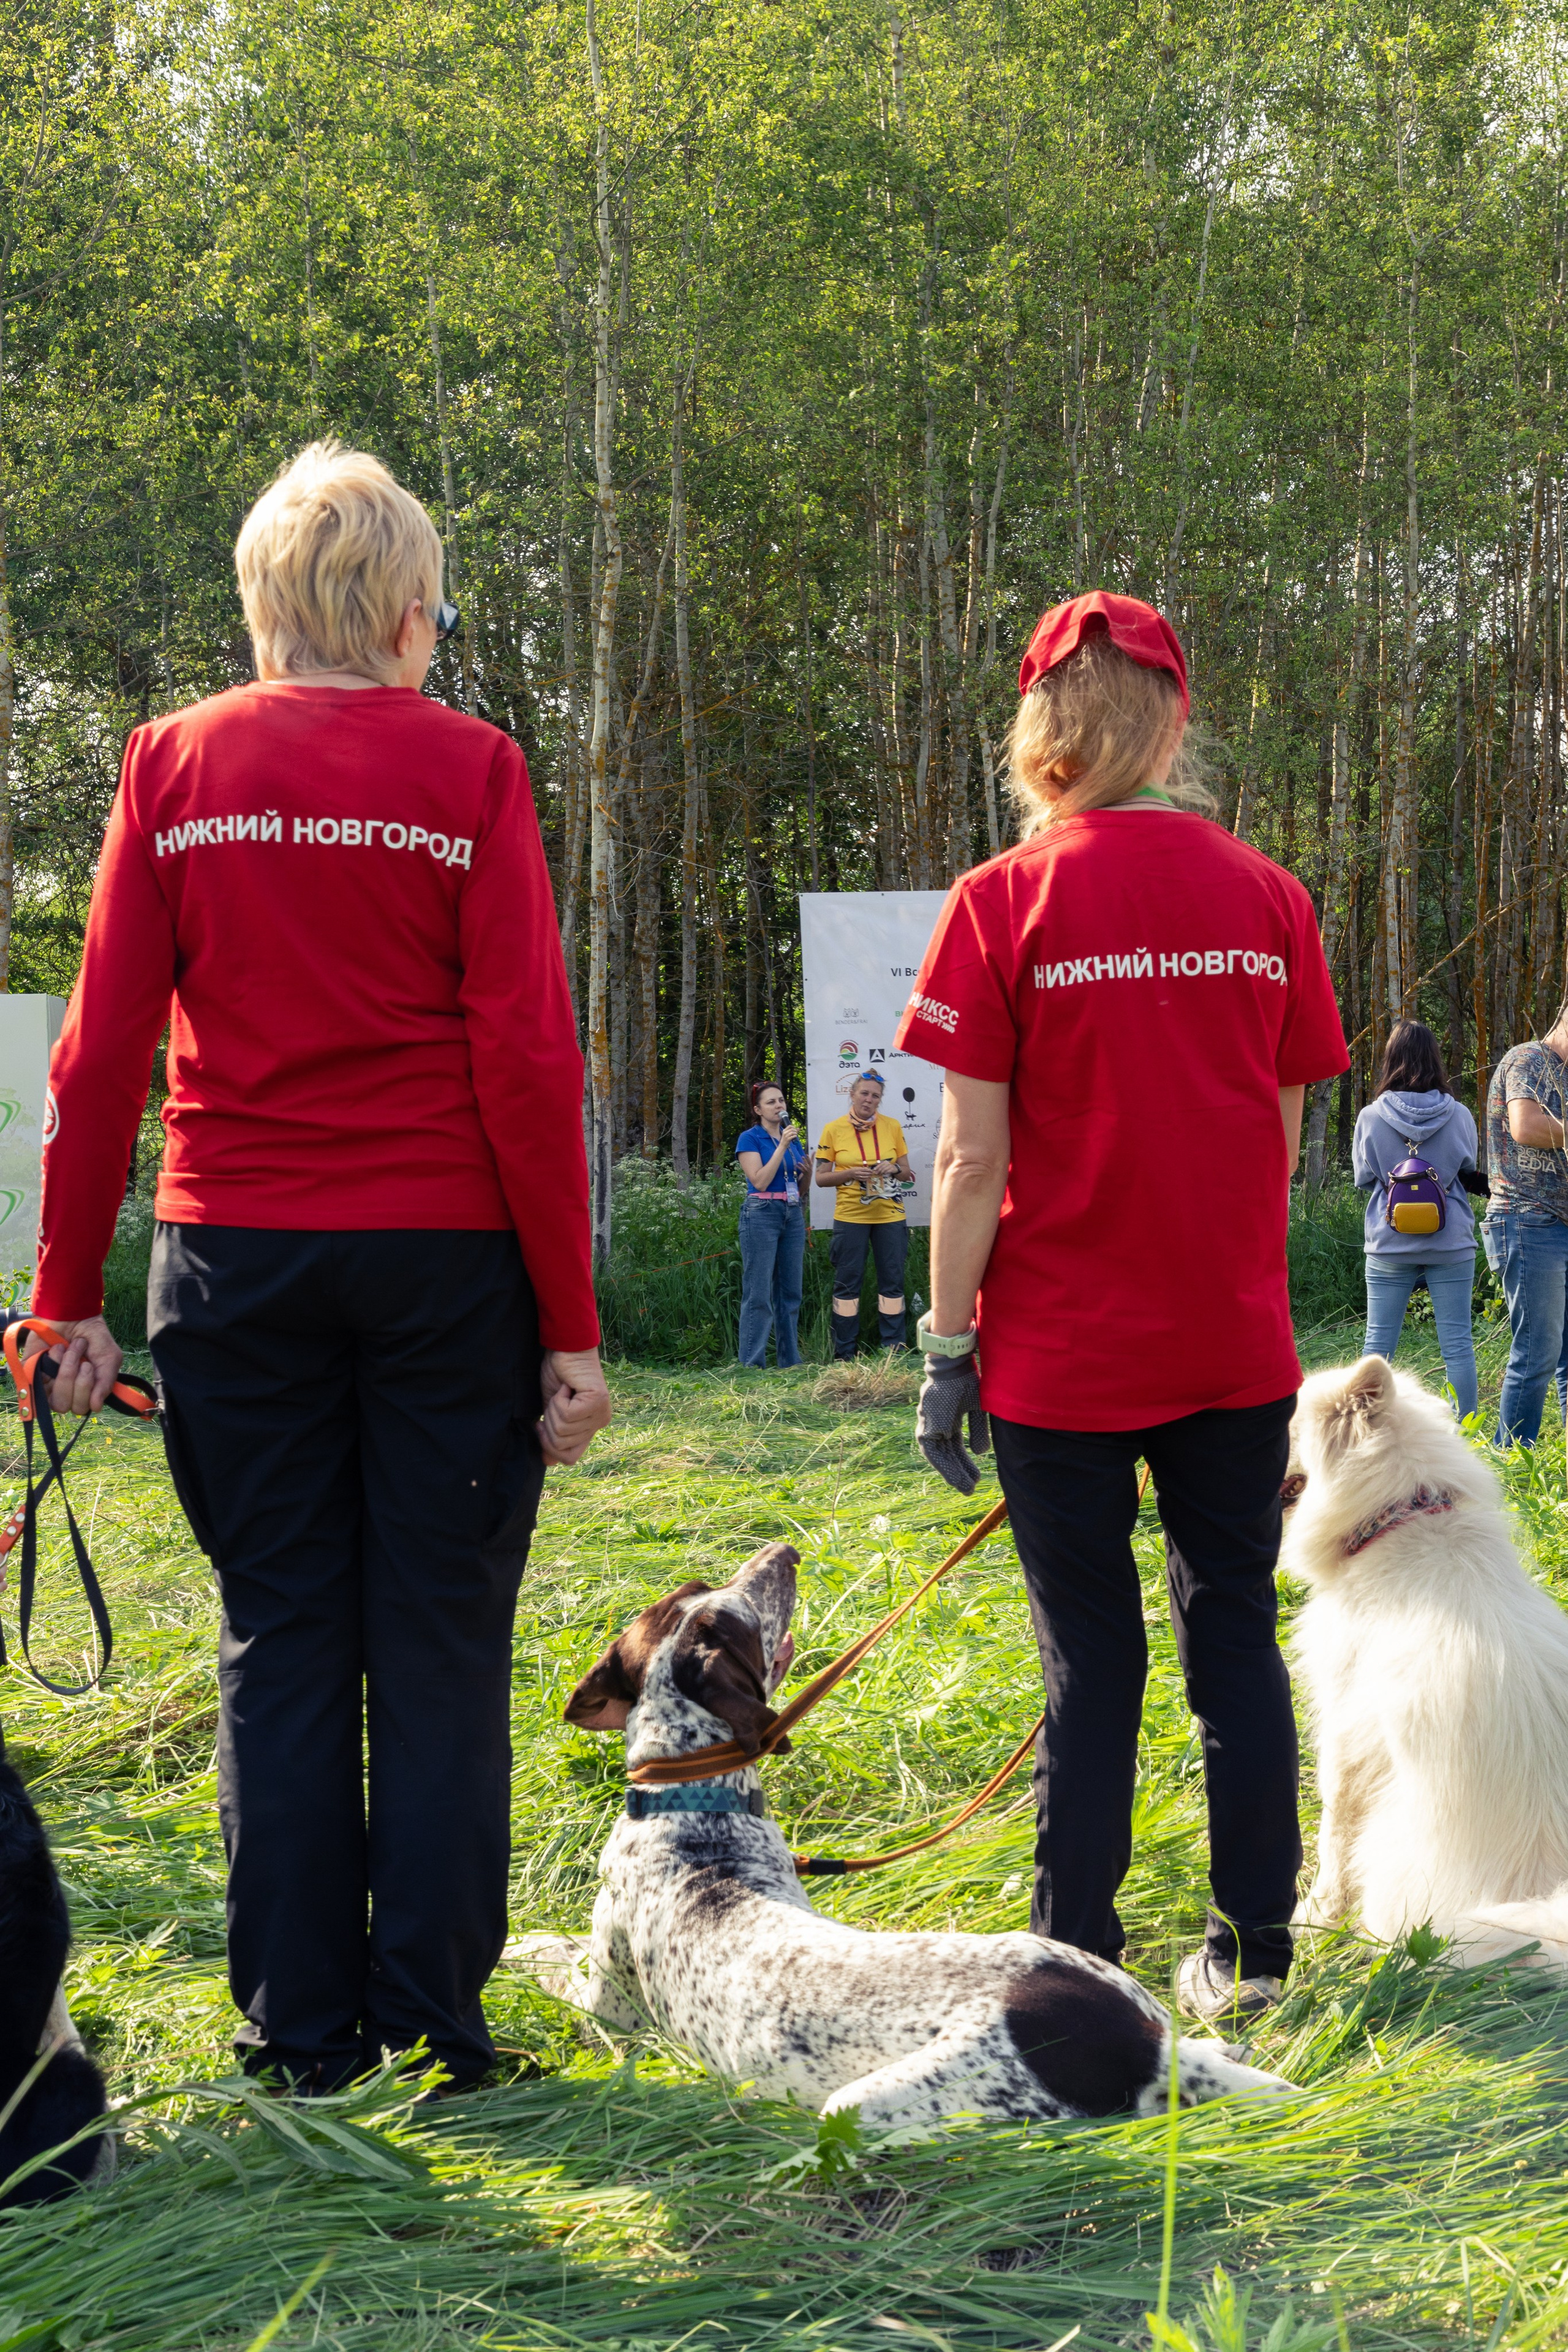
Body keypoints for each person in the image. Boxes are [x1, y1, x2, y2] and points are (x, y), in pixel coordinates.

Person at [29, 441, 612, 2094]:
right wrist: (567, 1329)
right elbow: (524, 1058)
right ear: (415, 619)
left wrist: (65, 1290)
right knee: (435, 1644)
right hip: (448, 1268)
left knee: (281, 1639)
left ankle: (300, 2036)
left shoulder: (172, 763)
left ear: (260, 611)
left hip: (237, 1259)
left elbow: (101, 1055)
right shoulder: (475, 772)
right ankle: (436, 2022)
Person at [896, 590, 1348, 2026]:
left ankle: (1074, 1961)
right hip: (1224, 1341)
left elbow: (968, 1158)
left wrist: (945, 1344)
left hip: (1054, 1359)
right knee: (1232, 1644)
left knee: (1088, 1660)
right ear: (1174, 719)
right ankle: (1253, 1950)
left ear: (1038, 730)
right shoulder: (1267, 898)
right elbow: (1275, 1149)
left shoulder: (998, 903)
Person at [1352, 1021, 1480, 1420]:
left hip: (1389, 1242)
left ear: (1391, 1059)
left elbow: (1363, 1179)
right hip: (1451, 1243)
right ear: (1435, 1060)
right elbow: (1467, 1168)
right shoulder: (1459, 1115)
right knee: (1457, 1342)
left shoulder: (1372, 1117)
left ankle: (1367, 1430)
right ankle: (1465, 1434)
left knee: (1379, 1342)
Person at [1482, 1005, 1568, 1446]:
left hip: (1559, 1224)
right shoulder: (1528, 1060)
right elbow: (1527, 1126)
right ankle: (1513, 1459)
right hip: (1528, 1218)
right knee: (1538, 1352)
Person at [814, 1069, 914, 1357]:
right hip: (851, 1218)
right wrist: (848, 1173)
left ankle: (893, 1350)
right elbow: (821, 1178)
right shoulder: (833, 1129)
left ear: (880, 1101)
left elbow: (906, 1173)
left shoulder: (893, 1126)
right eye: (864, 1093)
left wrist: (893, 1168)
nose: (869, 1100)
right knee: (847, 1286)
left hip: (890, 1217)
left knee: (892, 1284)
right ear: (853, 1094)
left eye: (875, 1096)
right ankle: (844, 1354)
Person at [734, 1081, 808, 1368]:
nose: (779, 1106)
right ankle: (752, 1364)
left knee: (790, 1292)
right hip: (761, 1212)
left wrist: (808, 1173)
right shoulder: (750, 1139)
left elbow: (799, 1190)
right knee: (759, 1292)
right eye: (771, 1103)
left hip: (792, 1213)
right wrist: (783, 1146)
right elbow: (760, 1180)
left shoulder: (794, 1139)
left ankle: (790, 1362)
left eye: (781, 1100)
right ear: (758, 1110)